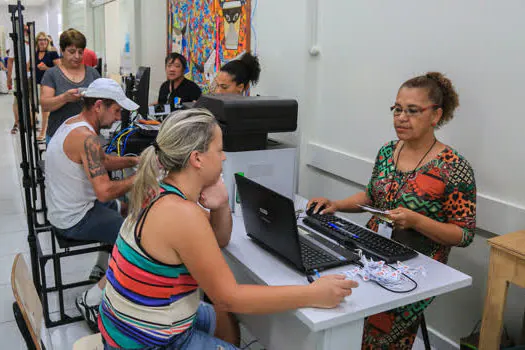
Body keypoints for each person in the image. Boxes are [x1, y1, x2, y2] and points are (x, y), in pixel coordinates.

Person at [98, 109, 359, 349]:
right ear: (197, 158)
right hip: (145, 341)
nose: (223, 157)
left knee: (224, 318)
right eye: (219, 149)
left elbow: (219, 240)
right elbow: (229, 297)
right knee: (225, 307)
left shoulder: (163, 189)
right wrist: (313, 294)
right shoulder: (181, 214)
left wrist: (221, 204)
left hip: (129, 322)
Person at [307, 72, 476, 349]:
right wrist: (336, 205)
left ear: (435, 116)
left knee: (371, 335)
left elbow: (464, 233)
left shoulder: (453, 167)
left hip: (415, 271)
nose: (401, 117)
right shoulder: (388, 151)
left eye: (412, 111)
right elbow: (372, 196)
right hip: (372, 253)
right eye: (397, 109)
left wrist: (416, 221)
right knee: (337, 310)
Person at [45, 78, 140, 332]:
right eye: (116, 111)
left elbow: (101, 160)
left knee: (120, 210)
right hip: (74, 220)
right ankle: (89, 300)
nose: (118, 117)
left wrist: (135, 160)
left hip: (64, 210)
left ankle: (103, 271)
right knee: (139, 240)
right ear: (99, 105)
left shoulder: (73, 124)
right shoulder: (86, 138)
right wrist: (141, 176)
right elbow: (105, 191)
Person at [41, 28, 100, 143]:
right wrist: (65, 98)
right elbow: (45, 105)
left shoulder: (93, 74)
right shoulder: (52, 74)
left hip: (87, 137)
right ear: (62, 51)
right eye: (72, 52)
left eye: (80, 52)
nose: (77, 56)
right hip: (58, 137)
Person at [34, 32, 60, 140]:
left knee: (45, 109)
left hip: (49, 84)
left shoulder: (52, 53)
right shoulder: (35, 54)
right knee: (40, 108)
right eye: (40, 40)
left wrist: (46, 69)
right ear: (37, 42)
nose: (42, 42)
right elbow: (28, 67)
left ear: (48, 41)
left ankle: (44, 132)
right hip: (38, 83)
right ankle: (45, 129)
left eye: (44, 39)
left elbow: (59, 70)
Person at [7, 26, 30, 134]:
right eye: (23, 30)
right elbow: (10, 61)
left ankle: (31, 122)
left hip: (31, 76)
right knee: (17, 99)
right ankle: (17, 123)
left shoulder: (31, 43)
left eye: (26, 30)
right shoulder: (14, 43)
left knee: (30, 99)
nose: (25, 32)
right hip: (19, 76)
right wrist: (9, 77)